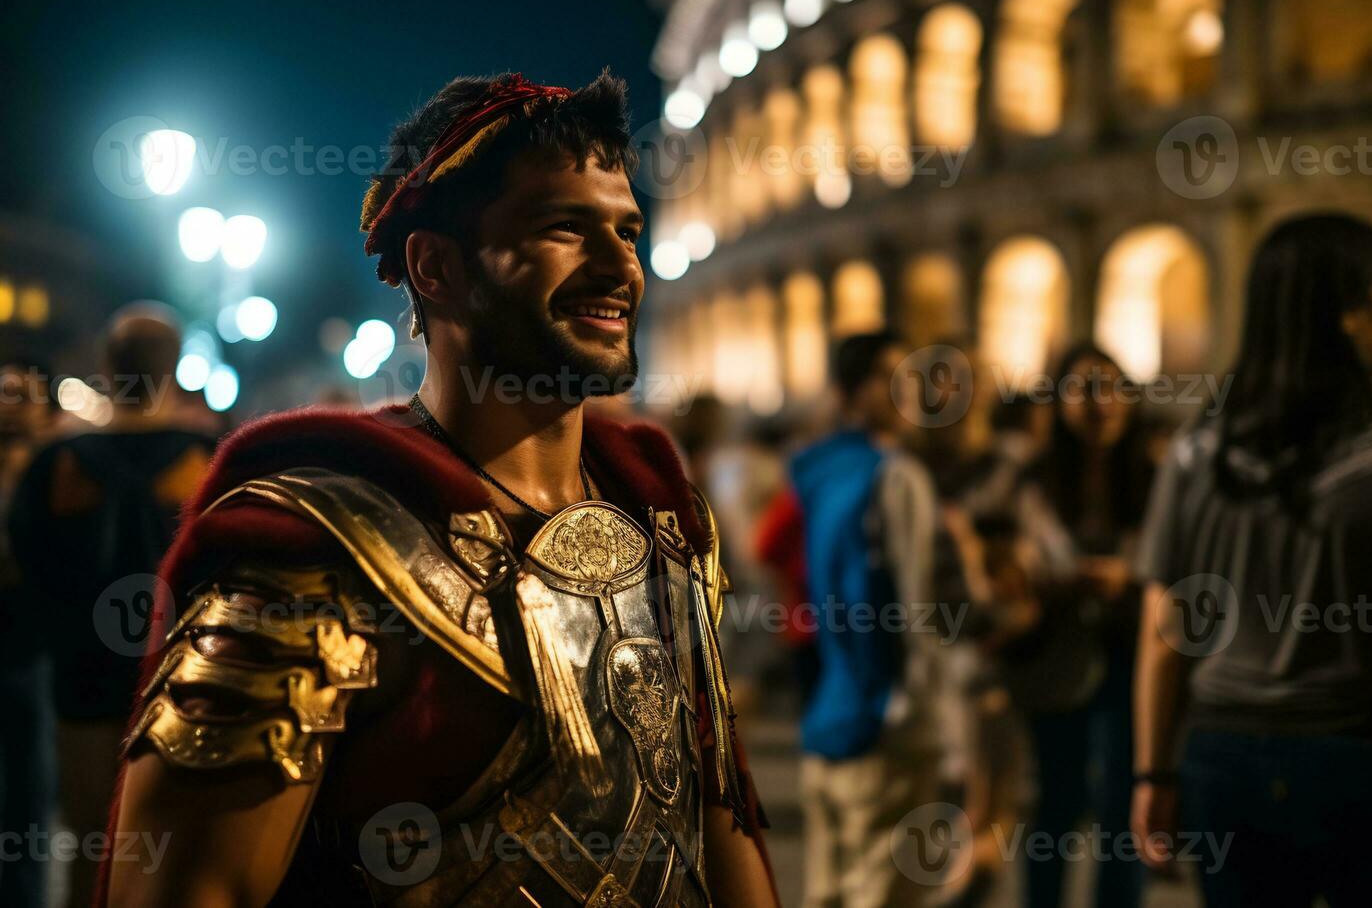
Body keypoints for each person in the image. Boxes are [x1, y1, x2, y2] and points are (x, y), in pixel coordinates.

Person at [102, 71, 778, 907]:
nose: (619, 268)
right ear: (436, 267)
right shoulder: (312, 552)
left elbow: (721, 828)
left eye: (628, 231)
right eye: (564, 228)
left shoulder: (665, 523)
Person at [1131, 213, 1372, 906]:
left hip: (1220, 756)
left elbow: (1165, 636)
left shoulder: (1198, 450)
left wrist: (1152, 776)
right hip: (1356, 758)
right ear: (1348, 315)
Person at [7, 309, 214, 908]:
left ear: (105, 367)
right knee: (173, 858)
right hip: (188, 687)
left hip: (83, 683)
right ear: (175, 370)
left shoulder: (57, 464)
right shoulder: (211, 461)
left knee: (92, 848)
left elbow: (27, 567)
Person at [773, 330, 947, 908]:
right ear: (856, 391)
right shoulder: (896, 477)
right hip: (887, 718)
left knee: (828, 892)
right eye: (894, 377)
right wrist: (934, 721)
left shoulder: (819, 471)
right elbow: (918, 607)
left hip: (830, 709)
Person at [1013, 343, 1156, 908]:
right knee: (1055, 800)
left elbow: (1183, 570)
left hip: (1132, 655)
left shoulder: (1154, 475)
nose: (1100, 403)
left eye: (1112, 387)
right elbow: (1005, 559)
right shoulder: (1034, 478)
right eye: (1083, 389)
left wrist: (1130, 581)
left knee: (1124, 803)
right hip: (1056, 657)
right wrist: (1043, 580)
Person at [0, 364, 56, 908]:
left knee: (28, 795)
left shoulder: (56, 467)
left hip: (31, 648)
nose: (11, 403)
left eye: (23, 395)